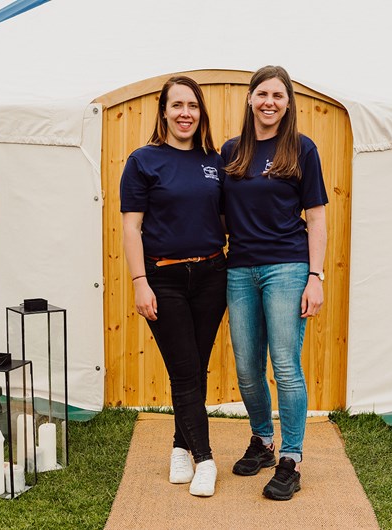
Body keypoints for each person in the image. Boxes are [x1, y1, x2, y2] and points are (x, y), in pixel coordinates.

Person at [221, 65, 328, 501]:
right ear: (250, 99)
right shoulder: (231, 152)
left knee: (284, 365)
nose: (269, 102)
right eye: (262, 94)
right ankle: (263, 440)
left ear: (288, 103)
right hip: (240, 269)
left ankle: (291, 458)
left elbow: (317, 217)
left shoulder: (302, 149)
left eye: (278, 96)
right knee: (247, 368)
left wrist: (315, 276)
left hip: (287, 267)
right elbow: (221, 213)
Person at [120, 75, 227, 497]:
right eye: (177, 105)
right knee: (184, 371)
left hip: (212, 275)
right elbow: (132, 228)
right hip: (162, 278)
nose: (185, 113)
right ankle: (205, 459)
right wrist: (139, 282)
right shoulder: (142, 161)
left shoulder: (214, 162)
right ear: (163, 111)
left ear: (201, 113)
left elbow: (224, 219)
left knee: (194, 369)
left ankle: (180, 447)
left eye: (193, 106)